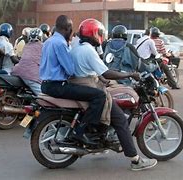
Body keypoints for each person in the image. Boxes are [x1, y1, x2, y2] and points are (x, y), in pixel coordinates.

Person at [70, 18, 157, 171]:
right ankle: (135, 160)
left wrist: (104, 79)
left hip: (82, 82)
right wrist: (130, 74)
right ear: (94, 33)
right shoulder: (89, 50)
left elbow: (95, 71)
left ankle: (102, 142)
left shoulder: (77, 46)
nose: (101, 36)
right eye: (99, 33)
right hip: (89, 85)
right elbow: (107, 72)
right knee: (120, 120)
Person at [40, 15, 107, 145]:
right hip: (58, 86)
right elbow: (70, 70)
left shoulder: (48, 41)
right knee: (99, 96)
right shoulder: (60, 43)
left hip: (45, 84)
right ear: (67, 28)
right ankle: (82, 131)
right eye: (71, 29)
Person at [11, 28, 43, 95]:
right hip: (31, 75)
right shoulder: (42, 47)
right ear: (41, 37)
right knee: (43, 96)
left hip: (18, 71)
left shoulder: (26, 46)